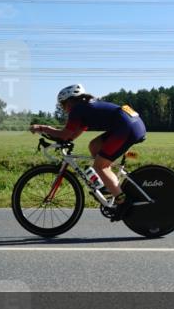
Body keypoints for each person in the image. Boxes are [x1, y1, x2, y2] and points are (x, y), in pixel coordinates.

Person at [29, 84, 146, 220]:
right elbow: (71, 135)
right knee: (94, 146)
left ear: (70, 100)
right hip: (131, 125)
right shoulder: (85, 107)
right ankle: (111, 186)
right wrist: (59, 138)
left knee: (99, 166)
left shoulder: (77, 109)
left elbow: (66, 133)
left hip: (126, 128)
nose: (63, 108)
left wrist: (42, 128)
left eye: (63, 104)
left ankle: (123, 201)